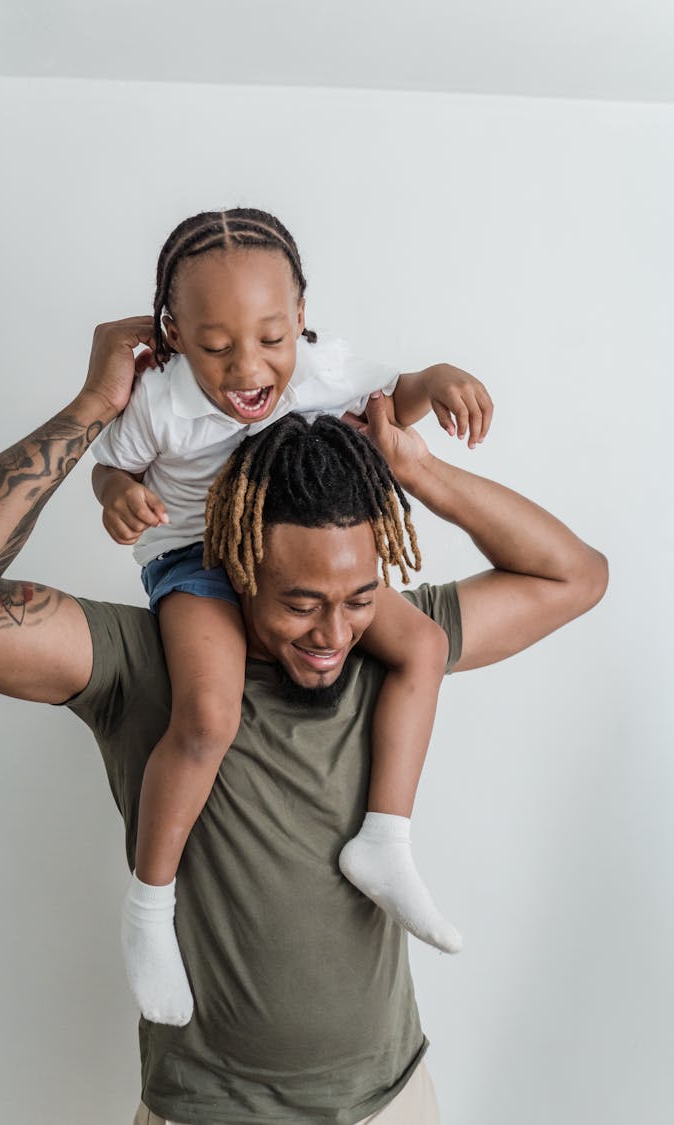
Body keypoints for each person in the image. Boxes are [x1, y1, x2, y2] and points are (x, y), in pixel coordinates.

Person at [0, 320, 607, 1124]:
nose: (330, 637)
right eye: (300, 603)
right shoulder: (148, 665)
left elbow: (575, 575)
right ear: (236, 566)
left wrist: (417, 466)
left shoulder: (384, 649)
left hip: (392, 1101)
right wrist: (93, 408)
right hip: (207, 1111)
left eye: (358, 598)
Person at [90, 208, 494, 1024]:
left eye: (272, 337)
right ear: (173, 332)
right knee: (208, 714)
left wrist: (436, 378)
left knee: (421, 644)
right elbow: (111, 468)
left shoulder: (321, 365)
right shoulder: (161, 400)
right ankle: (148, 909)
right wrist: (120, 498)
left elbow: (393, 396)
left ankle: (385, 839)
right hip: (197, 561)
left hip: (294, 568)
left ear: (302, 317)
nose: (249, 367)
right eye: (215, 346)